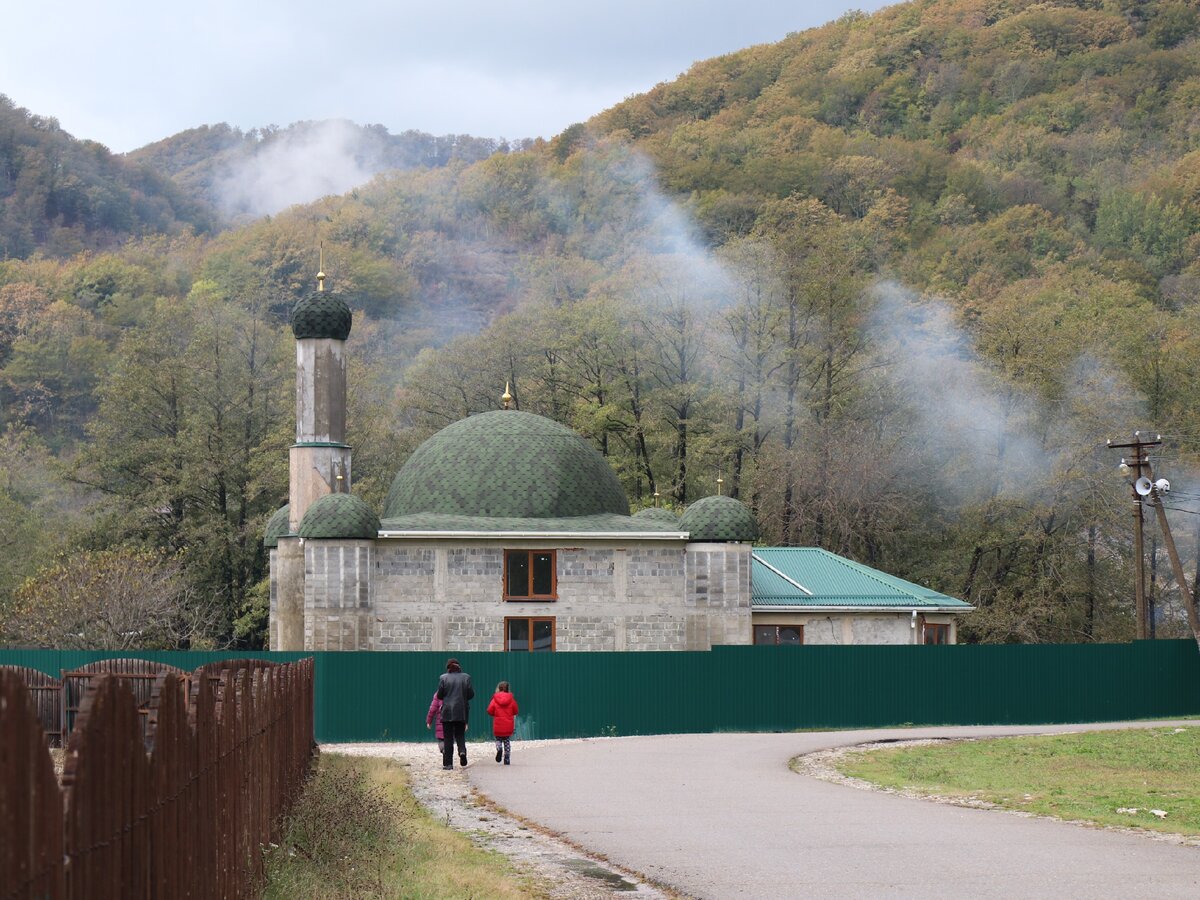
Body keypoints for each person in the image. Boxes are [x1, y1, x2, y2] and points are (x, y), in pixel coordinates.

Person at [436, 658, 473, 770]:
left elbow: (439, 695)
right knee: (460, 735)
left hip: (447, 712)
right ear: (459, 667)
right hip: (461, 711)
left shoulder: (443, 678)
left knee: (448, 738)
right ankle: (462, 752)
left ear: (448, 668)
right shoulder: (466, 677)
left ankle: (448, 764)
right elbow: (471, 694)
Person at [487, 680, 519, 765]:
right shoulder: (511, 699)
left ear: (498, 688)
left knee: (498, 739)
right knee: (507, 741)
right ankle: (507, 758)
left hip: (498, 724)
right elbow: (516, 711)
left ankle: (499, 749)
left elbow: (489, 710)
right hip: (508, 725)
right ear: (508, 689)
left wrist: (495, 713)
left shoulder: (495, 699)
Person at [426, 690, 444, 755]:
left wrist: (429, 721)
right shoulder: (453, 693)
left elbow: (432, 709)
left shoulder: (438, 694)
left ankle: (443, 749)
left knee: (441, 739)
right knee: (449, 740)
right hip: (451, 721)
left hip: (440, 722)